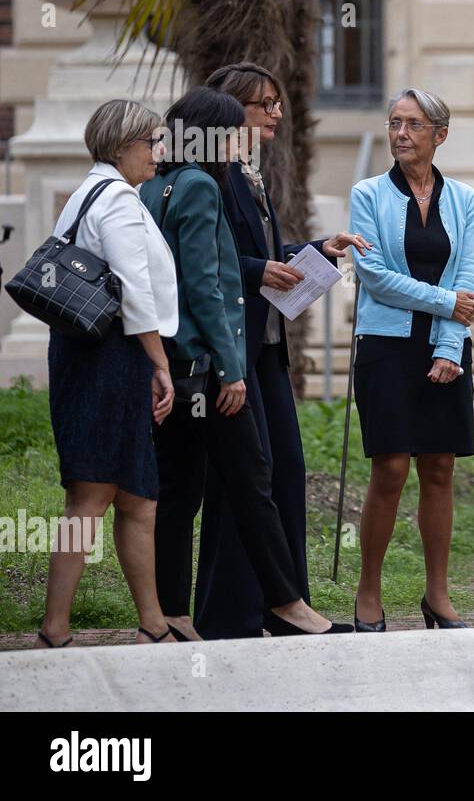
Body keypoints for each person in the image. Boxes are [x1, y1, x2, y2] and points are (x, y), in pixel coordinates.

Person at [141, 85, 350, 638]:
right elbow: (207, 288)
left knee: (179, 493)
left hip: (176, 365)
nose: (239, 139)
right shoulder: (202, 189)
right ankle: (288, 604)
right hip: (210, 369)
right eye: (232, 129)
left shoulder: (156, 186)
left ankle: (172, 615)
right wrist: (233, 369)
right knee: (254, 480)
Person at [191, 61, 370, 639]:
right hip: (234, 349)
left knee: (285, 471)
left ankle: (282, 604)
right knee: (245, 478)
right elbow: (203, 262)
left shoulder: (247, 171)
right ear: (229, 110)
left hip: (267, 351)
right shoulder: (209, 176)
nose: (276, 111)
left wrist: (316, 247)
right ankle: (234, 612)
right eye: (263, 103)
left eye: (277, 102)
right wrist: (257, 268)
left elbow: (258, 251)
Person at [36, 99, 178, 648]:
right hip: (109, 359)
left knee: (138, 496)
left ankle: (154, 624)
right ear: (122, 146)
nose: (159, 153)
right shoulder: (116, 198)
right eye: (152, 143)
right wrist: (159, 363)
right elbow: (133, 288)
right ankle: (54, 629)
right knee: (93, 495)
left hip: (94, 353)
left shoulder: (88, 192)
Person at [349, 87, 474, 632]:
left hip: (445, 346)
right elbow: (373, 277)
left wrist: (450, 344)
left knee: (441, 468)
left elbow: (466, 279)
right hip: (385, 346)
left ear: (439, 135)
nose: (400, 133)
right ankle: (369, 594)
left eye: (413, 125)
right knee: (391, 467)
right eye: (395, 123)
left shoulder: (465, 199)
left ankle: (437, 596)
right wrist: (445, 301)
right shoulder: (368, 194)